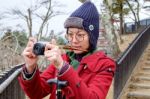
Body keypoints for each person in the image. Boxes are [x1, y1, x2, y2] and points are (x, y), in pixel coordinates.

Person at [18, 1, 116, 99]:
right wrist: (30, 67)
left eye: (80, 35)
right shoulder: (64, 58)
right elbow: (37, 93)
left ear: (91, 37)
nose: (74, 40)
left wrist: (63, 67)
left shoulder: (105, 65)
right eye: (70, 34)